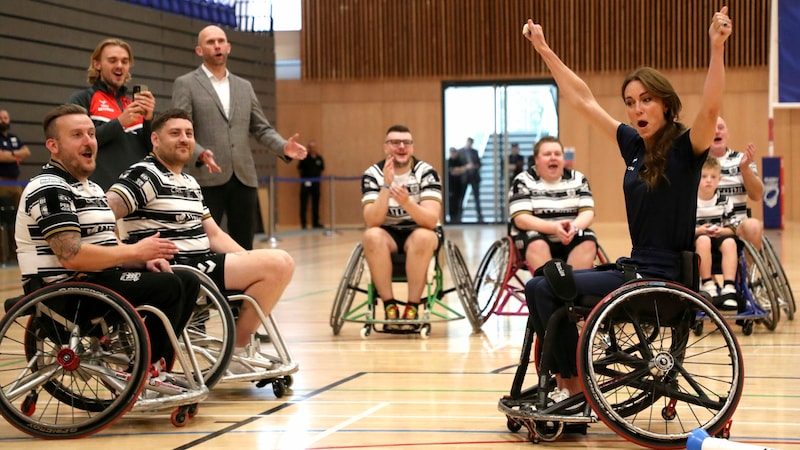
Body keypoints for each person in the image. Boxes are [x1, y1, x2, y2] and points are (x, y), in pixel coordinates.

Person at [521, 7, 731, 401]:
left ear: (666, 105)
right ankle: (571, 380)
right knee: (541, 284)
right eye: (631, 102)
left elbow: (710, 109)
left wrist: (716, 48)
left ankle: (572, 386)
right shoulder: (634, 146)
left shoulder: (687, 150)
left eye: (646, 100)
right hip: (633, 270)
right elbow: (583, 100)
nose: (637, 109)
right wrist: (545, 50)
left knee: (543, 288)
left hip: (660, 278)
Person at [15, 104, 199, 382]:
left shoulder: (93, 188)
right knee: (169, 286)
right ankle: (142, 370)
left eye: (91, 133)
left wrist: (141, 260)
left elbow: (106, 249)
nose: (89, 140)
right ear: (53, 145)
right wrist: (135, 249)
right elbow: (71, 255)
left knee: (186, 279)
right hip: (65, 294)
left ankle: (150, 366)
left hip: (95, 282)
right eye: (77, 135)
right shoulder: (50, 187)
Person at [107, 109, 295, 373]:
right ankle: (237, 352)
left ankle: (238, 348)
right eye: (175, 133)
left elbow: (214, 234)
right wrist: (126, 253)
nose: (184, 139)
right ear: (155, 140)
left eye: (189, 134)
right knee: (280, 263)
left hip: (202, 263)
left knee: (276, 265)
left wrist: (250, 260)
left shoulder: (189, 181)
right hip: (179, 269)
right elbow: (103, 212)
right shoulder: (145, 174)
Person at [171, 25, 307, 250]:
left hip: (243, 177)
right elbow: (179, 128)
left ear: (228, 47)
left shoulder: (244, 87)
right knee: (205, 243)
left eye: (221, 41)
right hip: (206, 176)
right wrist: (200, 153)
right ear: (199, 50)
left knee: (244, 244)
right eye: (210, 42)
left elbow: (261, 128)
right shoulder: (186, 84)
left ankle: (244, 285)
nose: (217, 46)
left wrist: (283, 146)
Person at [361, 124, 442, 324]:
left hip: (420, 230)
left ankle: (412, 306)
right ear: (385, 147)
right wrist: (386, 186)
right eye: (395, 142)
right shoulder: (373, 174)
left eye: (406, 142)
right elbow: (372, 220)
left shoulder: (427, 173)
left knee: (423, 237)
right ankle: (389, 305)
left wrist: (406, 202)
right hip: (387, 232)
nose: (401, 147)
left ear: (412, 147)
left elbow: (431, 221)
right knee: (371, 236)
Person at [66, 39, 156, 191]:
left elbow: (154, 152)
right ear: (97, 64)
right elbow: (77, 143)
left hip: (139, 193)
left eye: (125, 61)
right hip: (100, 192)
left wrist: (149, 121)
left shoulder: (134, 104)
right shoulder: (82, 99)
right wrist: (119, 123)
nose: (119, 65)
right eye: (112, 60)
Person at [509, 136, 597, 273]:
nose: (553, 157)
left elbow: (588, 213)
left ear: (563, 158)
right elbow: (521, 219)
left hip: (570, 235)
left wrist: (573, 227)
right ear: (537, 159)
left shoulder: (578, 179)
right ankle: (551, 288)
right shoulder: (522, 181)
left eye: (557, 154)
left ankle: (574, 287)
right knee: (537, 244)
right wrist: (554, 228)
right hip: (536, 238)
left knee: (588, 239)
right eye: (547, 154)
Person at [710, 117, 764, 249]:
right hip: (704, 225)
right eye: (712, 128)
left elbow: (757, 195)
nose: (717, 131)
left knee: (754, 226)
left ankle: (748, 269)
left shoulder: (742, 159)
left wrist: (745, 169)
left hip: (737, 226)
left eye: (721, 128)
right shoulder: (694, 162)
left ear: (727, 133)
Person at [695, 157, 739, 310]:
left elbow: (734, 228)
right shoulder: (691, 201)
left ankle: (729, 287)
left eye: (713, 177)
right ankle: (708, 284)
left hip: (719, 237)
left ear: (719, 179)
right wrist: (700, 230)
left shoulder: (724, 200)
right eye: (704, 176)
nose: (708, 181)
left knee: (730, 242)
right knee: (703, 240)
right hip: (698, 239)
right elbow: (684, 230)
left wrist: (722, 231)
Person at [0, 109, 32, 207]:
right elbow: (1, 157)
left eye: (5, 118)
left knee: (20, 210)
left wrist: (10, 154)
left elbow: (27, 152)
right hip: (2, 181)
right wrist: (17, 155)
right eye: (0, 118)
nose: (3, 121)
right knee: (4, 211)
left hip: (15, 181)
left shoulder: (13, 137)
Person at [298, 140, 325, 229]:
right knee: (304, 203)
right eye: (311, 147)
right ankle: (304, 223)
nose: (313, 149)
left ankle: (315, 222)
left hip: (316, 184)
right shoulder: (304, 158)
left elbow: (322, 169)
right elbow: (299, 168)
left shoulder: (319, 158)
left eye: (314, 147)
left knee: (316, 203)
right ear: (308, 148)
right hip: (306, 184)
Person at [458, 137, 483, 222]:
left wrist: (474, 166)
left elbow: (479, 164)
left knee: (476, 197)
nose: (469, 144)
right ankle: (459, 214)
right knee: (462, 196)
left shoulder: (475, 152)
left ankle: (479, 214)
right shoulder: (460, 152)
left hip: (474, 177)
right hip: (465, 177)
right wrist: (466, 167)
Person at [446, 146, 466, 223]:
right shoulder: (448, 161)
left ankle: (458, 217)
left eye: (454, 152)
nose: (453, 154)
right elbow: (451, 171)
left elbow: (463, 170)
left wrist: (457, 170)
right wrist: (458, 170)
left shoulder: (459, 161)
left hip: (459, 185)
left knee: (459, 202)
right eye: (451, 152)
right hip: (451, 186)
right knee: (451, 202)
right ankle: (452, 218)